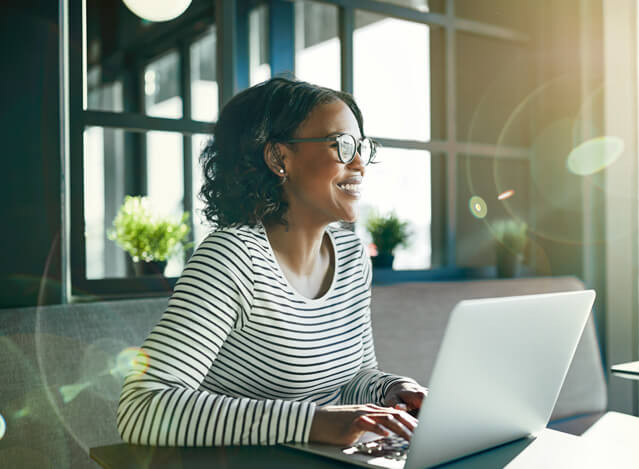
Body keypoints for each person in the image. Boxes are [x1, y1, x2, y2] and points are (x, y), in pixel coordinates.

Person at [116, 77, 427, 447]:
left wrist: (392, 390)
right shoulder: (231, 258)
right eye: (341, 146)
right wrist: (312, 422)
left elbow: (352, 377)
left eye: (361, 146)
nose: (359, 163)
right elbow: (142, 406)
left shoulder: (351, 255)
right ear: (279, 158)